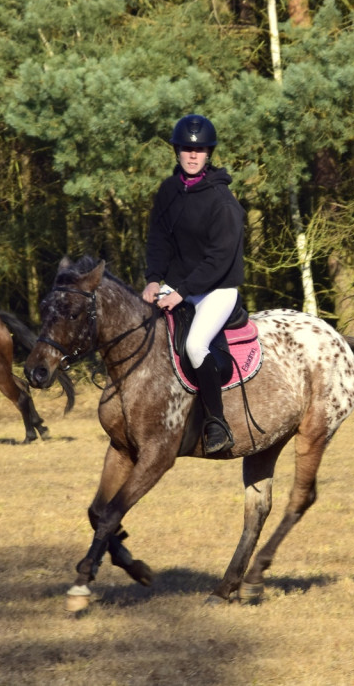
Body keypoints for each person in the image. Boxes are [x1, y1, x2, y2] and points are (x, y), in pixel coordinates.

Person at [141, 114, 246, 454]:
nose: (192, 155)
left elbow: (219, 259)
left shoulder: (223, 201)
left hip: (217, 289)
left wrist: (181, 292)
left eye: (199, 150)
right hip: (178, 285)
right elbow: (158, 238)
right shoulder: (169, 191)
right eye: (186, 148)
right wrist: (153, 279)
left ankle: (217, 423)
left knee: (196, 346)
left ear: (208, 153)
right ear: (177, 151)